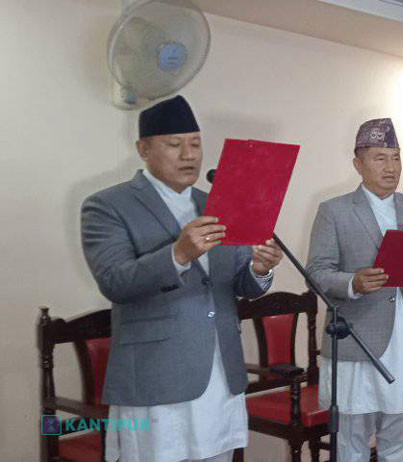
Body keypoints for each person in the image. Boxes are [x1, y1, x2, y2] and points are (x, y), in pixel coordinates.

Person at [80, 95, 284, 462]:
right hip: (157, 377)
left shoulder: (218, 203)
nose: (188, 155)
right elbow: (114, 282)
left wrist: (259, 269)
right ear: (143, 149)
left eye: (195, 143)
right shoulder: (108, 205)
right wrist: (178, 255)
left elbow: (238, 284)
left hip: (220, 372)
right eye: (174, 145)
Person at [305, 118, 403, 462]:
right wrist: (352, 283)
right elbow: (316, 272)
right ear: (358, 164)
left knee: (401, 435)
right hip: (358, 340)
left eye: (396, 157)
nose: (391, 167)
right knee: (352, 439)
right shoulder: (334, 211)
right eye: (380, 158)